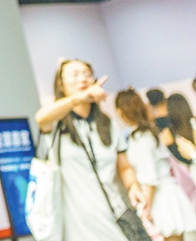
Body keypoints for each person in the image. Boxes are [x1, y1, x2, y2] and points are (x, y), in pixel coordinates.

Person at [35, 60, 148, 241]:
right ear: (60, 84)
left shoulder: (107, 123)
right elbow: (41, 118)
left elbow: (123, 166)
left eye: (87, 74)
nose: (83, 79)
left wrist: (133, 186)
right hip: (79, 225)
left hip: (116, 217)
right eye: (74, 74)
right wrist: (77, 99)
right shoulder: (57, 124)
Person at [116, 90, 196, 241]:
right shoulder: (144, 133)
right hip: (162, 197)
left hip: (161, 199)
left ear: (121, 112)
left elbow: (150, 177)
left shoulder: (142, 137)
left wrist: (146, 209)